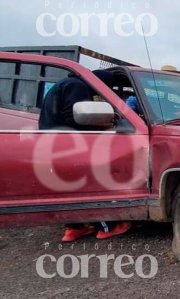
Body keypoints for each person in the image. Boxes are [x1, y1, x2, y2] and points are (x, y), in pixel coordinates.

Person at [38, 69, 132, 242]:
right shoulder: (77, 86)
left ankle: (74, 228)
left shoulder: (62, 85)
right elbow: (77, 118)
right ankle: (107, 227)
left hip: (53, 146)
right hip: (70, 146)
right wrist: (104, 126)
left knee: (71, 188)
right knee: (94, 185)